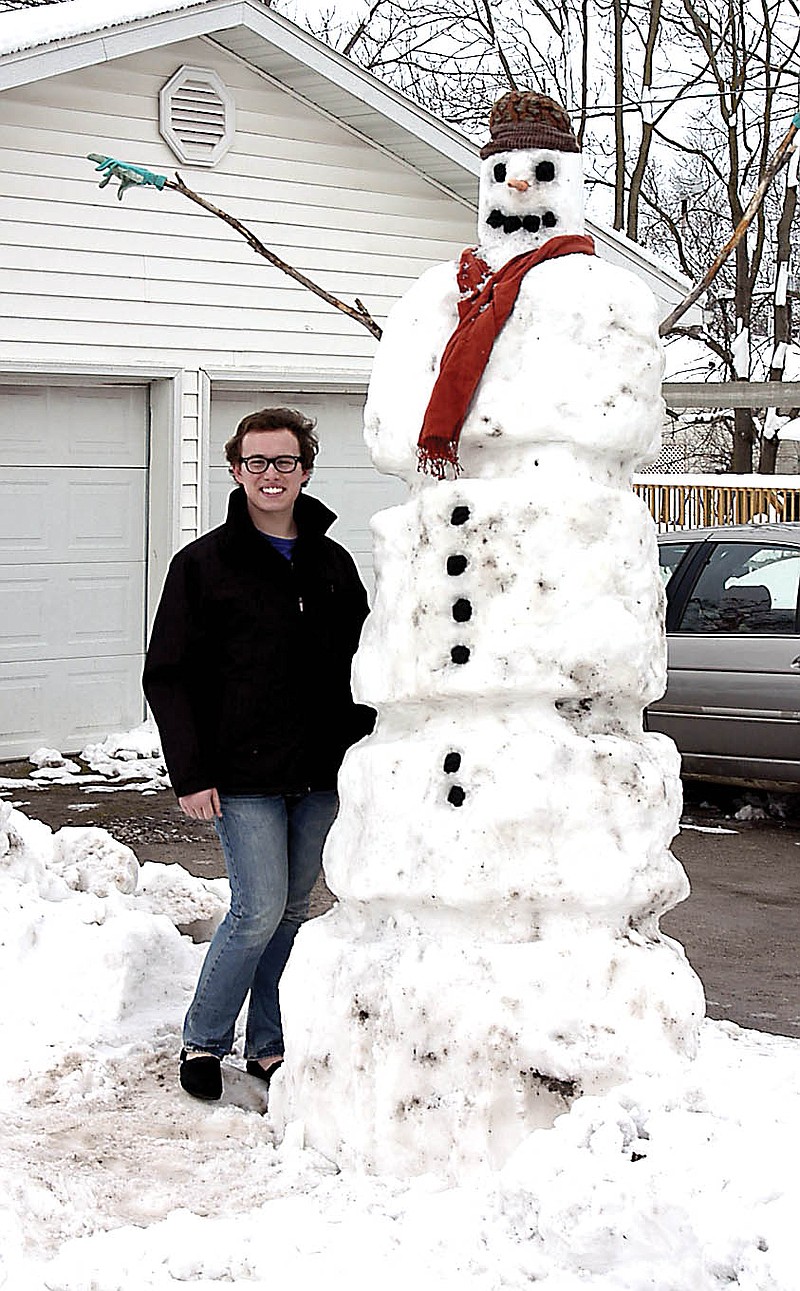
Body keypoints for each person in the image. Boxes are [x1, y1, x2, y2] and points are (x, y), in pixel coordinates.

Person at [143, 407, 373, 1101]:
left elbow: (366, 661)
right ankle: (205, 1038)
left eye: (285, 462)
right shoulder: (202, 565)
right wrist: (192, 771)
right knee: (256, 907)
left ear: (305, 469)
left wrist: (368, 749)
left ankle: (268, 1041)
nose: (271, 475)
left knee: (294, 908)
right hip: (238, 775)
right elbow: (167, 674)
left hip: (319, 771)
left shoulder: (332, 562)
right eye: (256, 462)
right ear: (235, 469)